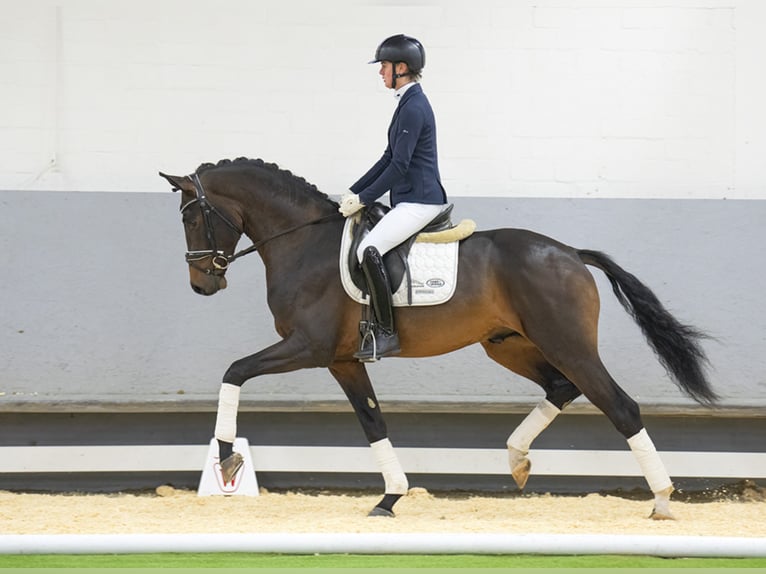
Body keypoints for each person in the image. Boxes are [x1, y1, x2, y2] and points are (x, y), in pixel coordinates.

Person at [339, 34, 448, 361]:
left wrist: (365, 198)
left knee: (368, 248)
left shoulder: (414, 106)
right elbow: (388, 157)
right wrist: (356, 192)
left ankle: (386, 333)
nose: (380, 72)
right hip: (410, 199)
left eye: (384, 66)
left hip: (421, 201)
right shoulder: (406, 102)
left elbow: (399, 166)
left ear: (402, 68)